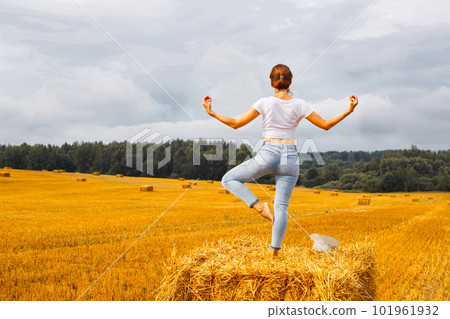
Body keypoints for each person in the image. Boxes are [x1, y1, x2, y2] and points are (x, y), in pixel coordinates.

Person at [202, 64, 358, 256]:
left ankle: (259, 206)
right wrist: (348, 110)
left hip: (268, 153)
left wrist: (212, 112)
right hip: (291, 158)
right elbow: (325, 125)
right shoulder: (300, 104)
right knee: (281, 206)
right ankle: (274, 253)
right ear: (290, 81)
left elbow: (236, 124)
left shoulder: (264, 102)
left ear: (271, 82)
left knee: (228, 179)